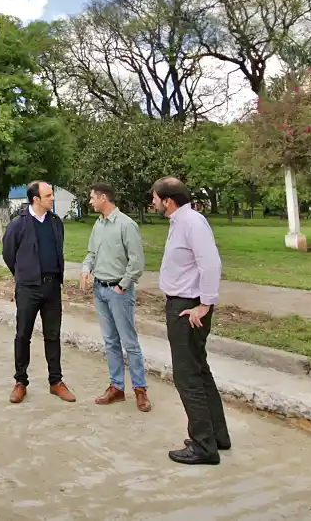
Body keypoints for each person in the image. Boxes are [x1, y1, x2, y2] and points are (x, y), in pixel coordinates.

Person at [151, 176, 229, 465]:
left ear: (167, 200)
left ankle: (203, 445)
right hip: (184, 304)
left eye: (155, 198)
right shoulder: (181, 222)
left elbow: (211, 263)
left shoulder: (192, 222)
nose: (153, 202)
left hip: (188, 308)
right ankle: (217, 435)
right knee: (200, 371)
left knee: (187, 378)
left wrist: (204, 305)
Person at [2, 180, 76, 404]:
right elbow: (8, 254)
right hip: (28, 288)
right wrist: (24, 274)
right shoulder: (19, 224)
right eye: (48, 195)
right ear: (36, 199)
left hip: (52, 287)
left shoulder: (55, 222)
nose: (52, 198)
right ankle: (20, 382)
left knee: (52, 336)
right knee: (23, 335)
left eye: (51, 195)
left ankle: (56, 382)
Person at [79, 182, 149, 412]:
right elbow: (90, 253)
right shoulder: (98, 225)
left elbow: (137, 262)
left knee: (129, 342)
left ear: (103, 198)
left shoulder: (126, 225)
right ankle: (117, 387)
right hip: (99, 290)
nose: (90, 201)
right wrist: (85, 269)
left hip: (119, 291)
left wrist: (122, 285)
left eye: (92, 198)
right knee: (110, 341)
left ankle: (140, 390)